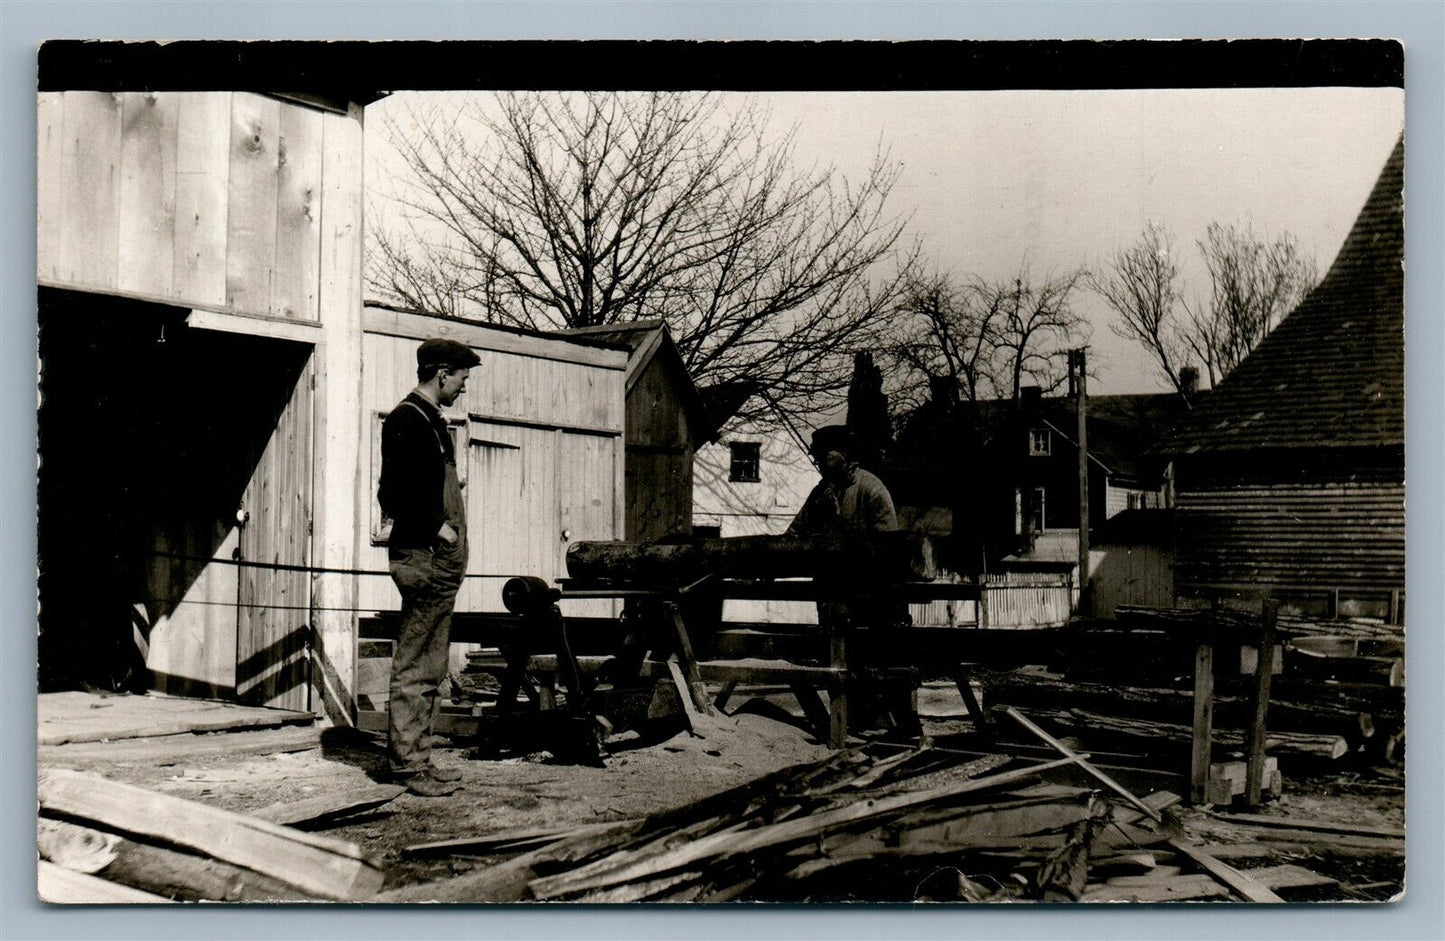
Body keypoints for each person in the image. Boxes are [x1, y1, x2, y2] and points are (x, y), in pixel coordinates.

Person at [378, 337, 480, 796]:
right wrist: (439, 528)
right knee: (418, 665)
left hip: (437, 562)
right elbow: (392, 495)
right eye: (461, 378)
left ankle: (417, 759)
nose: (463, 387)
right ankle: (407, 766)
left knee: (430, 664)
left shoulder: (429, 420)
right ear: (441, 374)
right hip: (425, 559)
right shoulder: (407, 419)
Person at [788, 424, 921, 740]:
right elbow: (795, 534)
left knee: (883, 661)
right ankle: (852, 722)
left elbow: (888, 549)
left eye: (825, 455)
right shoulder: (822, 492)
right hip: (833, 596)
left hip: (875, 599)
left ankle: (903, 726)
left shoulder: (871, 490)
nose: (819, 461)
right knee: (842, 662)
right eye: (817, 455)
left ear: (845, 455)